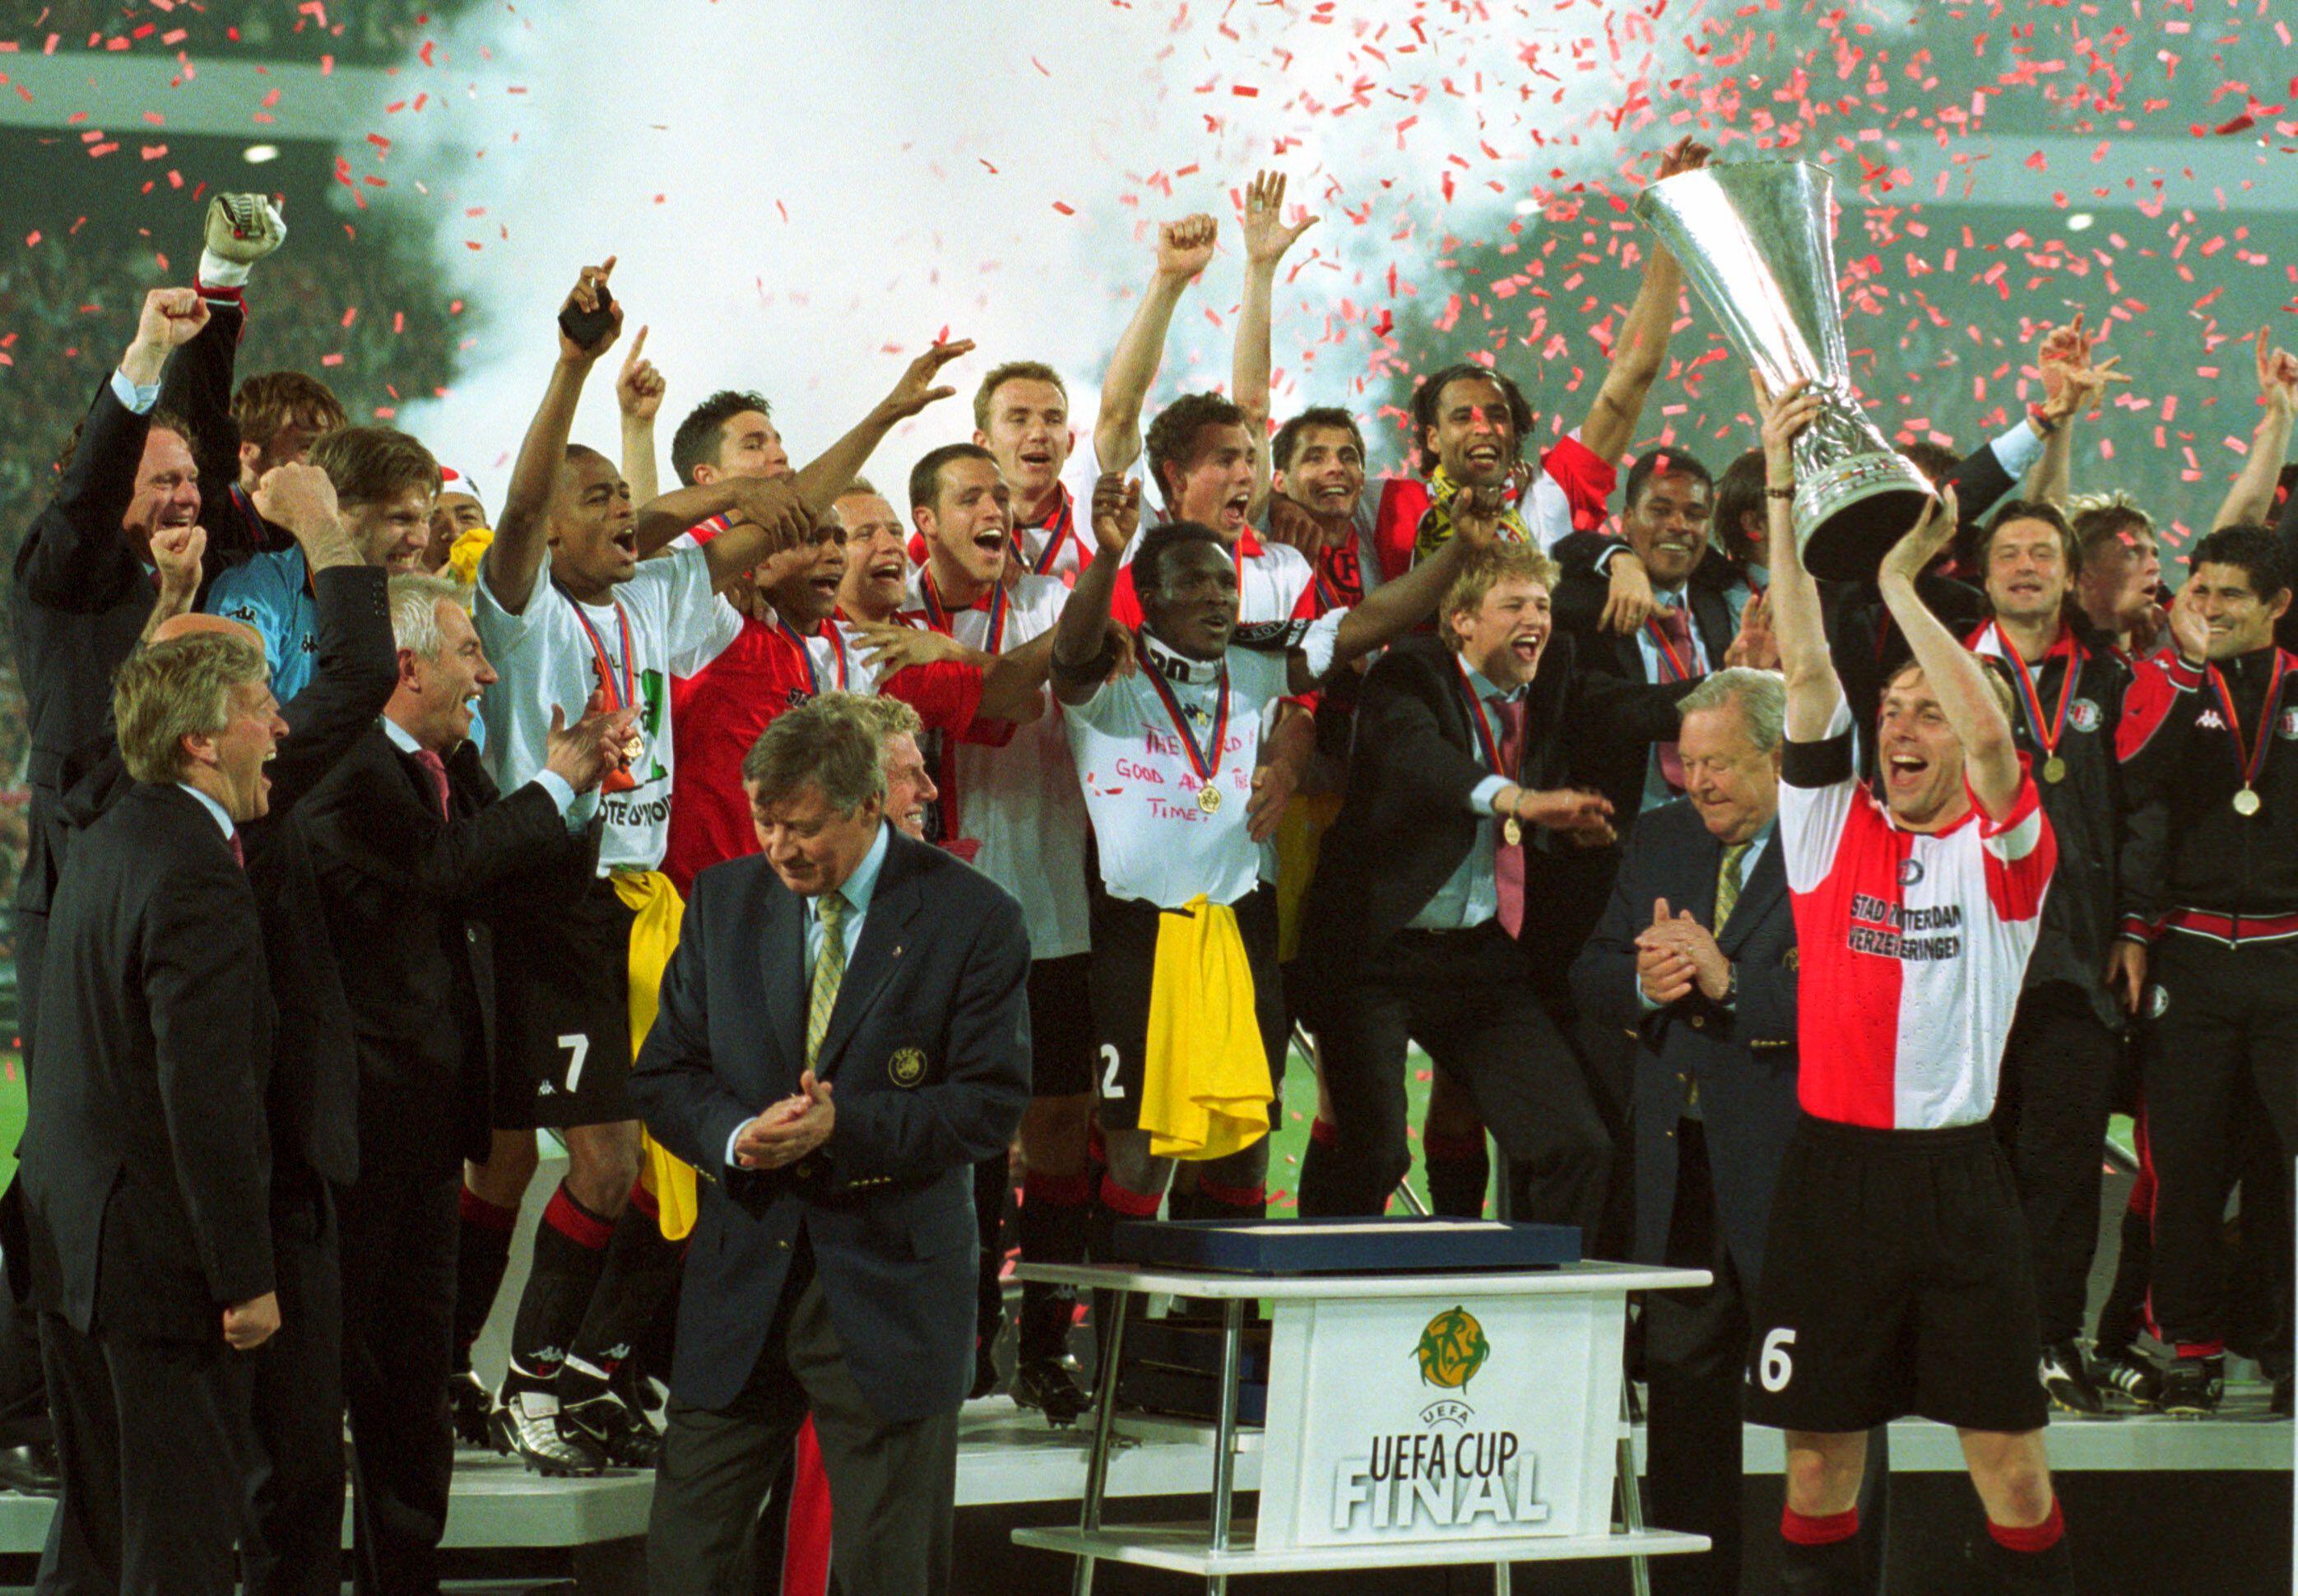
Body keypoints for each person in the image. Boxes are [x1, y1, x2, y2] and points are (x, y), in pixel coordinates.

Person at [472, 259, 954, 1473]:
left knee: (676, 1152)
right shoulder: (523, 610)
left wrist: (892, 413)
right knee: (604, 1157)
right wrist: (577, 373)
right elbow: (531, 511)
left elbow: (791, 514)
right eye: (598, 501)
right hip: (555, 898)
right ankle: (528, 1382)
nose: (616, 516)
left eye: (618, 501)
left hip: (650, 907)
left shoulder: (663, 597)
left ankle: (586, 1370)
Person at [1748, 373, 2071, 1594]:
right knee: (1818, 1472)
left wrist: (1901, 585)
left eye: (1926, 707)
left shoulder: (2006, 855)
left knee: (2013, 1472)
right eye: (1894, 708)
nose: (1904, 727)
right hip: (1832, 1180)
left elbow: (1995, 744)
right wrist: (1782, 489)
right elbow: (1805, 667)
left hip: (1957, 1184)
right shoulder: (1831, 834)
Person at [629, 698, 1031, 1595]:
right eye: (764, 822)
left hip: (889, 1290)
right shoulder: (724, 901)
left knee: (888, 1573)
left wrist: (844, 1127)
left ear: (865, 807)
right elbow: (665, 1075)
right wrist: (736, 1133)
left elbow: (988, 1107)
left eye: (803, 827)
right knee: (683, 1563)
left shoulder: (974, 918)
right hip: (741, 1290)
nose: (780, 848)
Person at [296, 573, 629, 1594]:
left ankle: (406, 1575)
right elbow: (447, 869)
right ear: (409, 667)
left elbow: (526, 881)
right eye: (468, 652)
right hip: (353, 1142)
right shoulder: (350, 776)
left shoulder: (451, 764)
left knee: (411, 1395)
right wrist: (555, 788)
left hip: (434, 1135)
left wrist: (584, 803)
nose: (487, 671)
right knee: (319, 1397)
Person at [1053, 471, 1494, 1240]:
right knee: (1139, 1160)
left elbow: (1366, 623)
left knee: (1244, 1152)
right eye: (1194, 582)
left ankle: (1214, 1347)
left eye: (1226, 583)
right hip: (1141, 940)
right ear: (1148, 599)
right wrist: (1106, 558)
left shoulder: (1255, 660)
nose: (1220, 597)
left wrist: (1461, 549)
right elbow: (1072, 643)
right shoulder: (1109, 672)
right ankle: (1120, 1351)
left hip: (1238, 931)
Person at [1572, 667, 1874, 1596]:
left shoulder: (1840, 845)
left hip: (1797, 1178)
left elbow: (1867, 996)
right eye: (1685, 762)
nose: (1695, 782)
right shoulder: (1661, 838)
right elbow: (1587, 968)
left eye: (1717, 764)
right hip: (1683, 1177)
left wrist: (1734, 985)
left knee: (1826, 1421)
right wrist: (1640, 985)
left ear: (1778, 757)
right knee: (1686, 1421)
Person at [1296, 541, 1692, 1227]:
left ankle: (1528, 1314)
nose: (1533, 618)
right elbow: (1422, 762)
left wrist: (1744, 675)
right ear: (1461, 622)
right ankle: (1311, 1305)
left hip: (1478, 957)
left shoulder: (1554, 676)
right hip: (1374, 954)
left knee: (1576, 1146)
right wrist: (1519, 801)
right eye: (1512, 605)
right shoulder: (1409, 674)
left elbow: (1642, 707)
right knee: (1375, 1152)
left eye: (1540, 605)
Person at [3, 282, 221, 1496]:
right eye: (159, 479)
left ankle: (113, 1398)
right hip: (77, 904)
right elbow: (89, 496)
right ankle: (24, 1397)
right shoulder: (65, 571)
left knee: (143, 1149)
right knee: (67, 1157)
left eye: (189, 479)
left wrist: (221, 318)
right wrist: (144, 355)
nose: (181, 498)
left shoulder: (185, 586)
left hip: (172, 910)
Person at [17, 631, 286, 1596]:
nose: (281, 725)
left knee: (94, 1542)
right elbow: (203, 1094)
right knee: (177, 1550)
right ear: (201, 742)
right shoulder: (197, 867)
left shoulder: (108, 841)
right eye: (262, 705)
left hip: (77, 1255)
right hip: (159, 1274)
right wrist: (246, 1278)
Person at [2115, 522, 2298, 1415]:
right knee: (2184, 1161)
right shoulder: (2166, 682)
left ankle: (2290, 1345)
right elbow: (2131, 779)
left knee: (2290, 1168)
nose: (2213, 607)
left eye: (2232, 594)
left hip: (2289, 954)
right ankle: (2189, 1344)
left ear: (2278, 605)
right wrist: (2184, 667)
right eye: (2202, 589)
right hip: (2189, 951)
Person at [1963, 499, 2138, 1415]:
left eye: (2043, 552)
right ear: (1983, 575)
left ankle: (2050, 1338)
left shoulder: (2110, 676)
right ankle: (1974, 1338)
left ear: (2072, 576)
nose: (2025, 565)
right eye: (2008, 553)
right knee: (1970, 1162)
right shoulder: (1946, 674)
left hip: (2075, 965)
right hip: (1970, 965)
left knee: (2062, 1162)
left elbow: (2144, 815)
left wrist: (2135, 925)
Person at [205, 426, 443, 700]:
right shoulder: (262, 588)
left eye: (426, 519)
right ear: (333, 508)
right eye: (400, 519)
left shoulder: (429, 607)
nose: (420, 540)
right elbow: (238, 712)